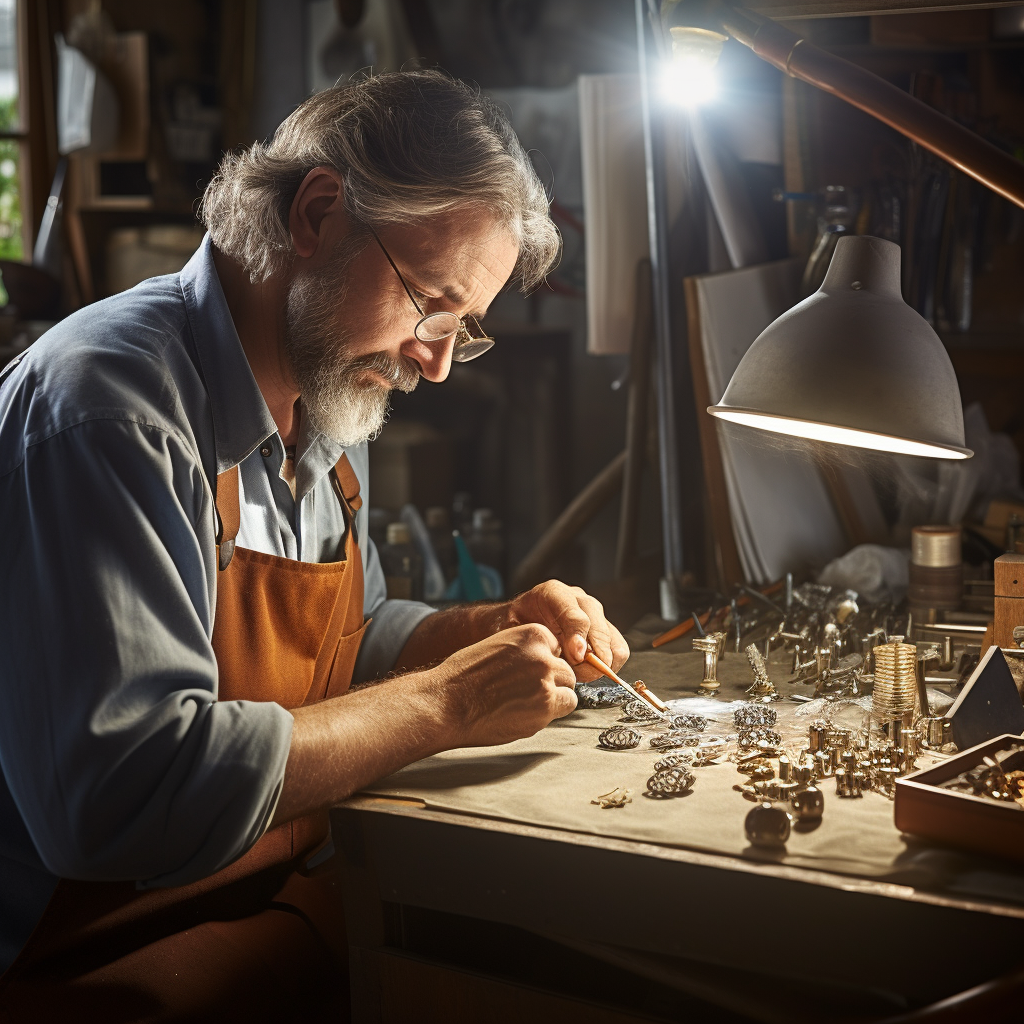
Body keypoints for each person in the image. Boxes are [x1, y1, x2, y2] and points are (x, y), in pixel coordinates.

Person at [0, 71, 628, 1019]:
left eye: (465, 330)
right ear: (320, 213)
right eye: (431, 304)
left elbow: (347, 645)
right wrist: (451, 699)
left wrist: (480, 630)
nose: (438, 360)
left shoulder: (327, 404)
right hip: (83, 961)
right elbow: (121, 799)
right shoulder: (112, 411)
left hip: (250, 905)